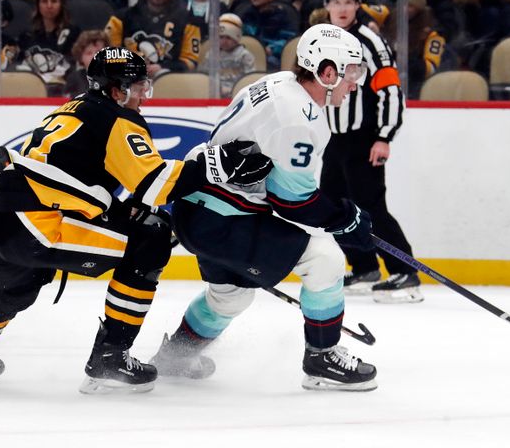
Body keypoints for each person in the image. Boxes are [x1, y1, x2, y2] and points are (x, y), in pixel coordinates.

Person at [0, 47, 272, 394]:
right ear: (116, 89)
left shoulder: (76, 107)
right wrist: (219, 166)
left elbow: (77, 179)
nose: (143, 96)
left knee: (15, 287)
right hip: (36, 226)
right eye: (138, 87)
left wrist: (126, 212)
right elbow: (154, 184)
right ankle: (110, 358)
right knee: (150, 239)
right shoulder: (118, 119)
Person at [149, 23, 379, 392]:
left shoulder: (280, 83)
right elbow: (293, 201)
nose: (356, 82)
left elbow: (274, 185)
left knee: (231, 297)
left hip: (199, 208)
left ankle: (176, 356)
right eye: (351, 72)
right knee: (326, 260)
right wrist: (345, 221)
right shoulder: (299, 117)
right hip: (222, 217)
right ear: (326, 71)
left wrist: (337, 216)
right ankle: (322, 358)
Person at [317, 0, 423, 304]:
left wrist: (383, 137)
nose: (342, 8)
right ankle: (364, 266)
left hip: (365, 138)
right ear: (327, 5)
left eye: (348, 1)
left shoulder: (371, 42)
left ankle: (404, 272)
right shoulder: (324, 39)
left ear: (357, 5)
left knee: (371, 207)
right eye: (336, 2)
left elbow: (390, 90)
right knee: (332, 207)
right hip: (338, 139)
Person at [105, 0, 202, 77]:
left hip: (168, 80)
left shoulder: (188, 20)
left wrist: (164, 68)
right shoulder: (120, 18)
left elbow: (191, 61)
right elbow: (108, 54)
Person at [18, 0, 81, 96]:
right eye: (44, 1)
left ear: (61, 4)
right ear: (38, 5)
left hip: (62, 90)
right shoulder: (27, 35)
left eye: (54, 1)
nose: (49, 5)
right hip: (31, 90)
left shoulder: (73, 33)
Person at [239, 0, 298, 71]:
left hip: (272, 58)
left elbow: (288, 40)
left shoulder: (282, 16)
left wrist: (272, 49)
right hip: (249, 54)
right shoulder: (247, 15)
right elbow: (242, 36)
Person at [198, 13, 257, 97]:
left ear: (237, 37)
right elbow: (203, 76)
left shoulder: (244, 56)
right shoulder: (211, 55)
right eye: (221, 37)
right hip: (215, 95)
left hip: (239, 94)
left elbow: (250, 79)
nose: (224, 41)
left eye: (228, 38)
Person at [63, 28, 109, 97]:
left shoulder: (115, 77)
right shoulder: (74, 78)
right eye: (89, 53)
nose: (94, 56)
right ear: (80, 57)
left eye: (98, 52)